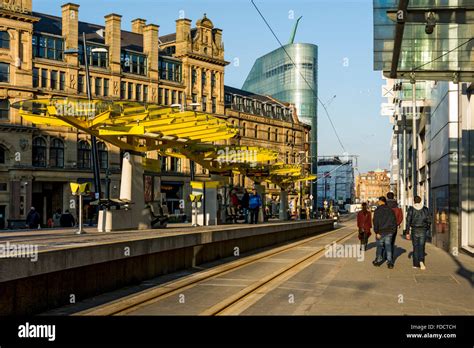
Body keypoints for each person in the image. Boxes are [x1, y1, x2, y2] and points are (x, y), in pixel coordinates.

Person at [406, 196, 431, 270]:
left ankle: (415, 264)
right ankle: (421, 261)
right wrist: (427, 228)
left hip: (414, 230)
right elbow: (429, 220)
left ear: (414, 201)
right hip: (423, 230)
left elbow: (408, 221)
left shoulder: (411, 209)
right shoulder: (425, 209)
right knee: (422, 246)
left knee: (415, 247)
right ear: (420, 201)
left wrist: (407, 232)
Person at [372, 196, 397, 269]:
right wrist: (393, 231)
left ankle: (378, 260)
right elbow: (393, 221)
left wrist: (376, 232)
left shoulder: (377, 210)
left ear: (380, 201)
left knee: (379, 247)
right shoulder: (390, 210)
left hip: (380, 232)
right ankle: (390, 263)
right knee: (388, 247)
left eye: (378, 201)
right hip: (389, 231)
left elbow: (375, 222)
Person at [382, 192, 403, 259]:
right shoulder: (397, 206)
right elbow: (400, 216)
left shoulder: (384, 206)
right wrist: (397, 223)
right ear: (393, 197)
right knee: (392, 242)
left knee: (385, 240)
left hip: (385, 226)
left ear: (387, 197)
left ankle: (385, 255)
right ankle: (390, 256)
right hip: (394, 226)